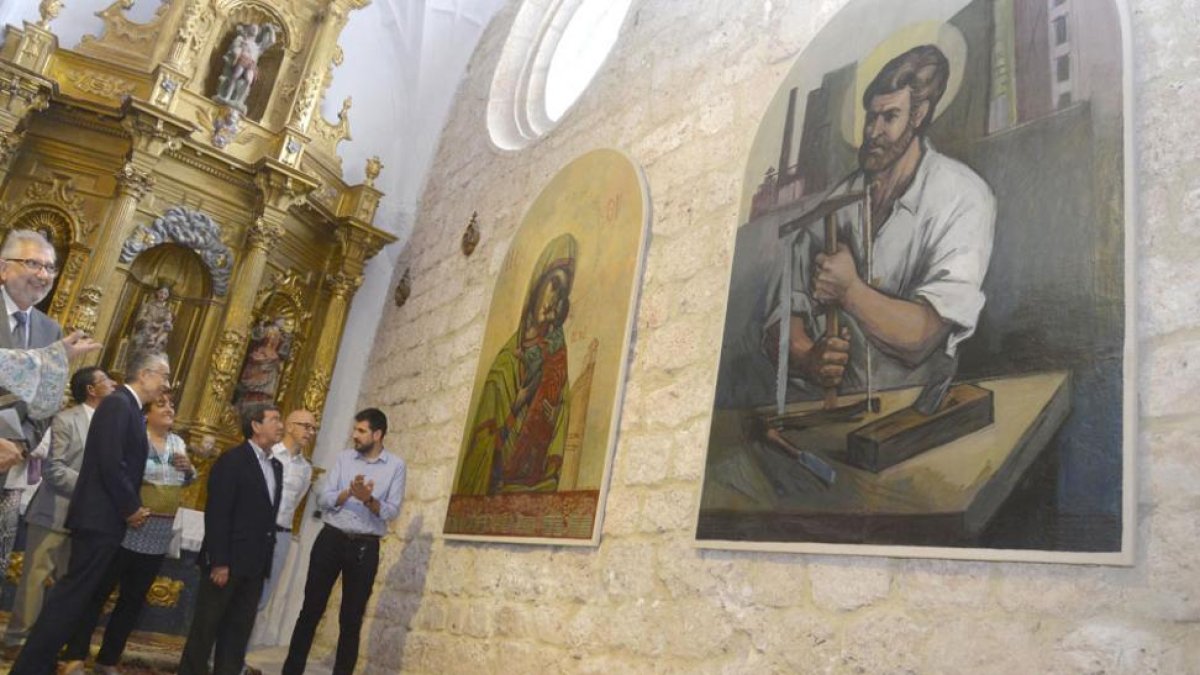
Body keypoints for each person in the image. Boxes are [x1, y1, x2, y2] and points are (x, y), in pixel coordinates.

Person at [764, 44, 996, 397]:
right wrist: (808, 356)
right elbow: (782, 314)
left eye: (889, 117)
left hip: (918, 416)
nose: (872, 131)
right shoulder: (834, 206)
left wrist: (850, 290)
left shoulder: (962, 197)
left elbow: (923, 336)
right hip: (839, 414)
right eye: (870, 117)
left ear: (918, 116)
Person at [12, 351, 170, 675]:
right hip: (100, 517)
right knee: (71, 596)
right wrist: (131, 507)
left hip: (104, 518)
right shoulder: (118, 404)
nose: (167, 384)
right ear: (145, 374)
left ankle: (37, 663)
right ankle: (30, 666)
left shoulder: (128, 408)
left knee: (75, 596)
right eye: (163, 377)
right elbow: (111, 464)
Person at [63, 391, 194, 674]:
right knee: (98, 594)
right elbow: (121, 475)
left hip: (158, 537)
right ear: (146, 414)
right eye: (162, 404)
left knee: (132, 602)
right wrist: (131, 508)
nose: (170, 408)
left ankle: (108, 659)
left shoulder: (178, 442)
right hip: (128, 529)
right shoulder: (137, 437)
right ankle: (75, 653)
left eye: (172, 404)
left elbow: (181, 483)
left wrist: (189, 470)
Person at [283, 408, 406, 675]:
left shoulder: (396, 466)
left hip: (365, 546)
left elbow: (392, 511)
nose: (355, 436)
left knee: (351, 619)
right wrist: (348, 492)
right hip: (331, 538)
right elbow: (324, 499)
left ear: (377, 434)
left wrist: (369, 500)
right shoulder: (344, 458)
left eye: (361, 431)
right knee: (310, 610)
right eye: (355, 430)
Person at [3, 367, 114, 655]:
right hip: (55, 511)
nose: (113, 384)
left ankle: (47, 641)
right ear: (91, 389)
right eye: (105, 380)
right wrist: (94, 487)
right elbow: (54, 470)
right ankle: (17, 639)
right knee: (35, 578)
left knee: (67, 583)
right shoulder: (67, 419)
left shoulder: (112, 423)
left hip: (86, 519)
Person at [455, 234, 575, 495]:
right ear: (537, 284)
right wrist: (517, 404)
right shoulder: (506, 362)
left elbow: (562, 413)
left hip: (531, 479)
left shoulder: (557, 358)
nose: (554, 298)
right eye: (553, 284)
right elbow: (485, 437)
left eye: (562, 292)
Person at [178, 404, 283, 675]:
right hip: (228, 562)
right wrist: (219, 562)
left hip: (255, 564)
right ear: (256, 425)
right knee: (206, 628)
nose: (280, 425)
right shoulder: (232, 460)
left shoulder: (276, 467)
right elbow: (218, 514)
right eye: (274, 419)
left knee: (238, 633)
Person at [0, 229, 66, 568]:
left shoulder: (50, 331)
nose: (43, 275)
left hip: (9, 469)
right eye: (33, 264)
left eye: (50, 268)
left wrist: (20, 446)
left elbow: (46, 403)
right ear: (3, 268)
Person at [255, 409, 316, 624]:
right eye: (306, 426)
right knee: (242, 591)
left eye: (314, 428)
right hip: (258, 529)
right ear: (289, 426)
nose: (310, 432)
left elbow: (296, 502)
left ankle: (238, 653)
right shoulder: (269, 454)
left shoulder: (306, 469)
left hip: (281, 534)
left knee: (264, 594)